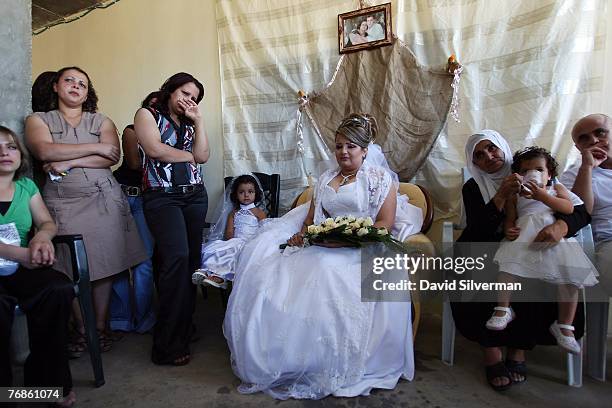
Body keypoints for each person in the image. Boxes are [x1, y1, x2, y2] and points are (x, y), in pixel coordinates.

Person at [224, 113, 423, 399]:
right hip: (324, 240)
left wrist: (346, 240)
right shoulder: (327, 178)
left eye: (351, 146)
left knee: (327, 271)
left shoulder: (380, 180)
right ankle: (292, 357)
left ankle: (333, 359)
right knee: (278, 265)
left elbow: (384, 224)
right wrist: (304, 235)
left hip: (361, 244)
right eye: (339, 146)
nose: (343, 152)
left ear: (365, 150)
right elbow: (312, 219)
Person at [450, 130, 590, 391]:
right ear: (474, 163)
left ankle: (519, 348)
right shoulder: (473, 186)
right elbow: (478, 229)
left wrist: (561, 228)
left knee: (543, 269)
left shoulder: (538, 175)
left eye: (492, 148)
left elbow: (579, 212)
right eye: (479, 155)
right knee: (483, 269)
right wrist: (502, 196)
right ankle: (491, 350)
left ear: (503, 147)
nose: (488, 156)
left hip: (536, 243)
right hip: (486, 245)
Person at [24, 66, 148, 356]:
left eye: (82, 83)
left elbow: (113, 155)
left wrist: (67, 161)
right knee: (67, 265)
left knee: (103, 264)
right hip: (63, 201)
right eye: (69, 80)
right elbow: (44, 151)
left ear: (87, 92)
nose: (76, 86)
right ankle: (82, 329)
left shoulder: (101, 119)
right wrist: (95, 149)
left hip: (104, 200)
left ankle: (100, 327)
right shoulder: (38, 120)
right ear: (56, 86)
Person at [487, 147, 598, 354]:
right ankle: (503, 308)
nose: (533, 173)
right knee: (507, 268)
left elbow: (569, 209)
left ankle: (564, 326)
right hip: (524, 235)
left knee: (570, 278)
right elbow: (510, 217)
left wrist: (543, 196)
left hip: (556, 240)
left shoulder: (557, 190)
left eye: (539, 169)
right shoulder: (515, 195)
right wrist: (509, 228)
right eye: (526, 170)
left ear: (549, 174)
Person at [134, 72, 209, 366]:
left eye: (194, 97)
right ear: (171, 89)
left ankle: (184, 328)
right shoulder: (147, 114)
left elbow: (204, 154)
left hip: (194, 195)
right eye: (185, 93)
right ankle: (165, 344)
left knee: (191, 263)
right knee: (174, 260)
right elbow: (154, 150)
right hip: (162, 197)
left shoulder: (191, 122)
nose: (188, 100)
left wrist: (200, 121)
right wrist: (190, 156)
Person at [0, 126, 76, 407]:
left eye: (10, 147)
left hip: (21, 268)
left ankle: (48, 385)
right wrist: (23, 254)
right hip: (17, 261)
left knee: (58, 289)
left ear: (20, 155)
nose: (4, 153)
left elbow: (46, 222)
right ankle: (4, 395)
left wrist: (42, 237)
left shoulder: (26, 187)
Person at [109, 91, 161, 334]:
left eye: (158, 106)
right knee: (118, 259)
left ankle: (143, 318)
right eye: (150, 107)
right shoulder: (132, 130)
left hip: (147, 198)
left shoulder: (171, 133)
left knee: (144, 259)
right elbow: (133, 163)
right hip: (122, 194)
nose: (154, 110)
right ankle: (120, 318)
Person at [560, 114, 612, 295]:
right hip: (608, 242)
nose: (594, 141)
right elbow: (580, 214)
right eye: (584, 139)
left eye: (601, 133)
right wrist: (587, 168)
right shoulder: (574, 175)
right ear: (578, 147)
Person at [192, 174, 266, 289]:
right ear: (236, 195)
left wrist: (252, 243)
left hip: (251, 243)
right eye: (241, 192)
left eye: (250, 191)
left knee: (233, 252)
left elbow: (264, 231)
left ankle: (220, 277)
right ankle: (208, 271)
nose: (246, 195)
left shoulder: (259, 212)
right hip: (236, 240)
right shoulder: (233, 213)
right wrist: (231, 242)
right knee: (218, 249)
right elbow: (229, 232)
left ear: (256, 193)